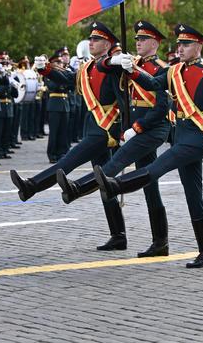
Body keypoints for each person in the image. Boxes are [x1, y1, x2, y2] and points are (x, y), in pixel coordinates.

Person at [94, 23, 203, 268]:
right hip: (181, 134)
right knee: (193, 197)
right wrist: (133, 71)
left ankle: (116, 186)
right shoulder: (173, 71)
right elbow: (152, 85)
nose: (181, 48)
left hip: (198, 138)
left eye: (186, 44)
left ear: (198, 46)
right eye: (179, 44)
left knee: (158, 166)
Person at [56, 20, 172, 257]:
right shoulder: (133, 64)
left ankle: (78, 188)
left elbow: (162, 106)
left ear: (154, 43)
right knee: (150, 187)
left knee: (115, 163)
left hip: (152, 129)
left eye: (142, 39)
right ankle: (160, 242)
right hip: (135, 128)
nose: (137, 43)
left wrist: (137, 128)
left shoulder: (162, 69)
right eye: (136, 39)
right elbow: (106, 72)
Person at [10, 22, 128, 251]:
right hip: (93, 127)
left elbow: (124, 102)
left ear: (107, 44)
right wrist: (46, 70)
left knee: (69, 161)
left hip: (107, 130)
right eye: (91, 39)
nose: (91, 43)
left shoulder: (113, 67)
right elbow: (67, 78)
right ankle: (118, 235)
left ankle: (32, 186)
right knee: (105, 183)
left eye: (96, 40)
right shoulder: (87, 69)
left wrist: (127, 129)